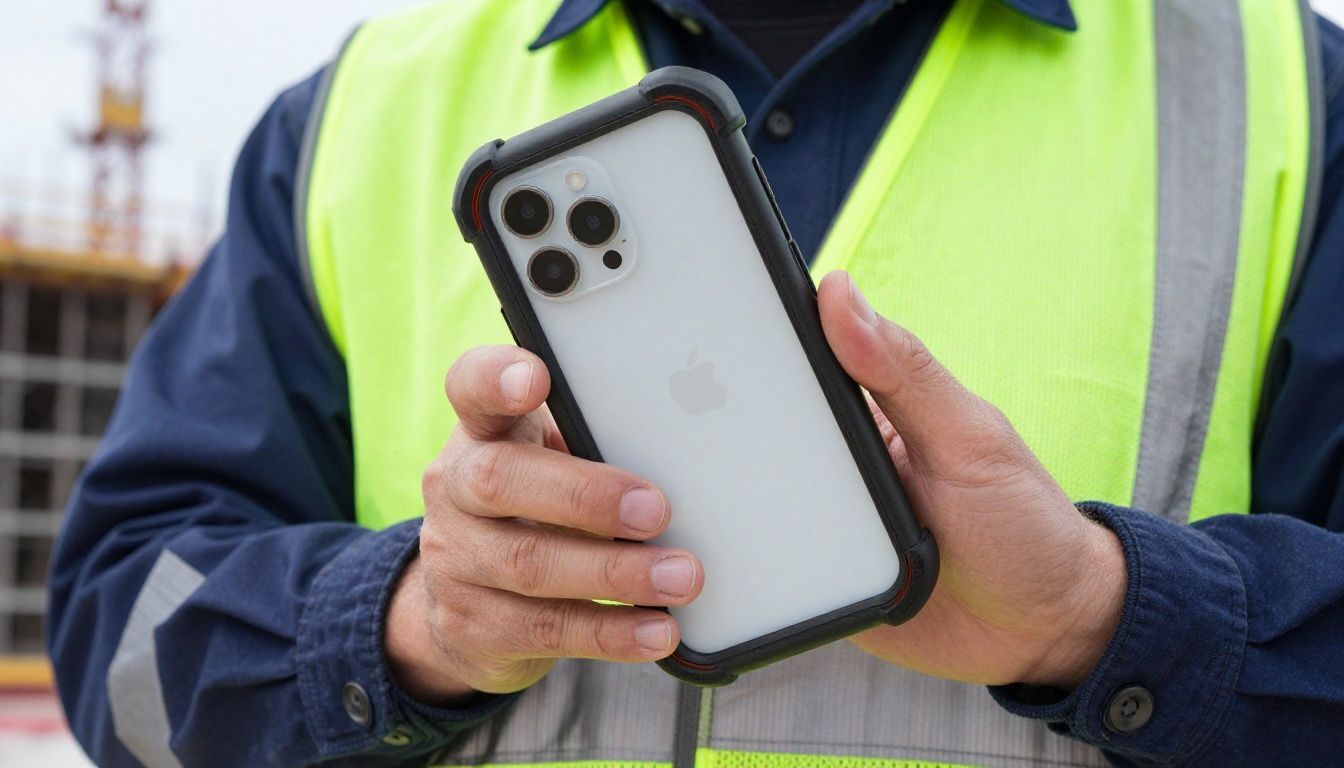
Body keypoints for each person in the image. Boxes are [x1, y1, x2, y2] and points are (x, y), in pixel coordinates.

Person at [46, 0, 1344, 765]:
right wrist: (403, 629)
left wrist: (1101, 616)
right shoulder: (359, 110)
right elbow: (125, 645)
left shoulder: (1278, 94)